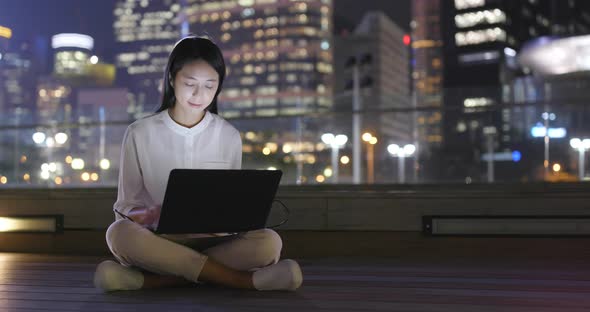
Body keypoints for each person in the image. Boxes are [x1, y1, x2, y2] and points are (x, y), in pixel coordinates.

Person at [93, 36, 303, 292]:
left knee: (269, 242)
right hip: (159, 240)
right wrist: (149, 216)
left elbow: (231, 203)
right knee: (119, 233)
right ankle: (243, 281)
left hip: (214, 242)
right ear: (172, 79)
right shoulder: (140, 133)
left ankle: (153, 281)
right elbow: (125, 207)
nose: (198, 94)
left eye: (209, 86)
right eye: (189, 83)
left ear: (219, 87)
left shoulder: (228, 135)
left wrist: (234, 219)